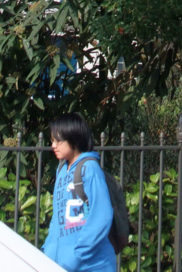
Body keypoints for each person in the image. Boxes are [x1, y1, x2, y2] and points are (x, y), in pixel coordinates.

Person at [42, 113, 116, 272]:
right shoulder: (61, 170)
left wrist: (77, 255)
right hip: (65, 265)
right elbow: (57, 218)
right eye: (52, 140)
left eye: (58, 141)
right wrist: (48, 251)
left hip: (93, 265)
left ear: (73, 139)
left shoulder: (90, 169)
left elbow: (101, 217)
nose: (53, 145)